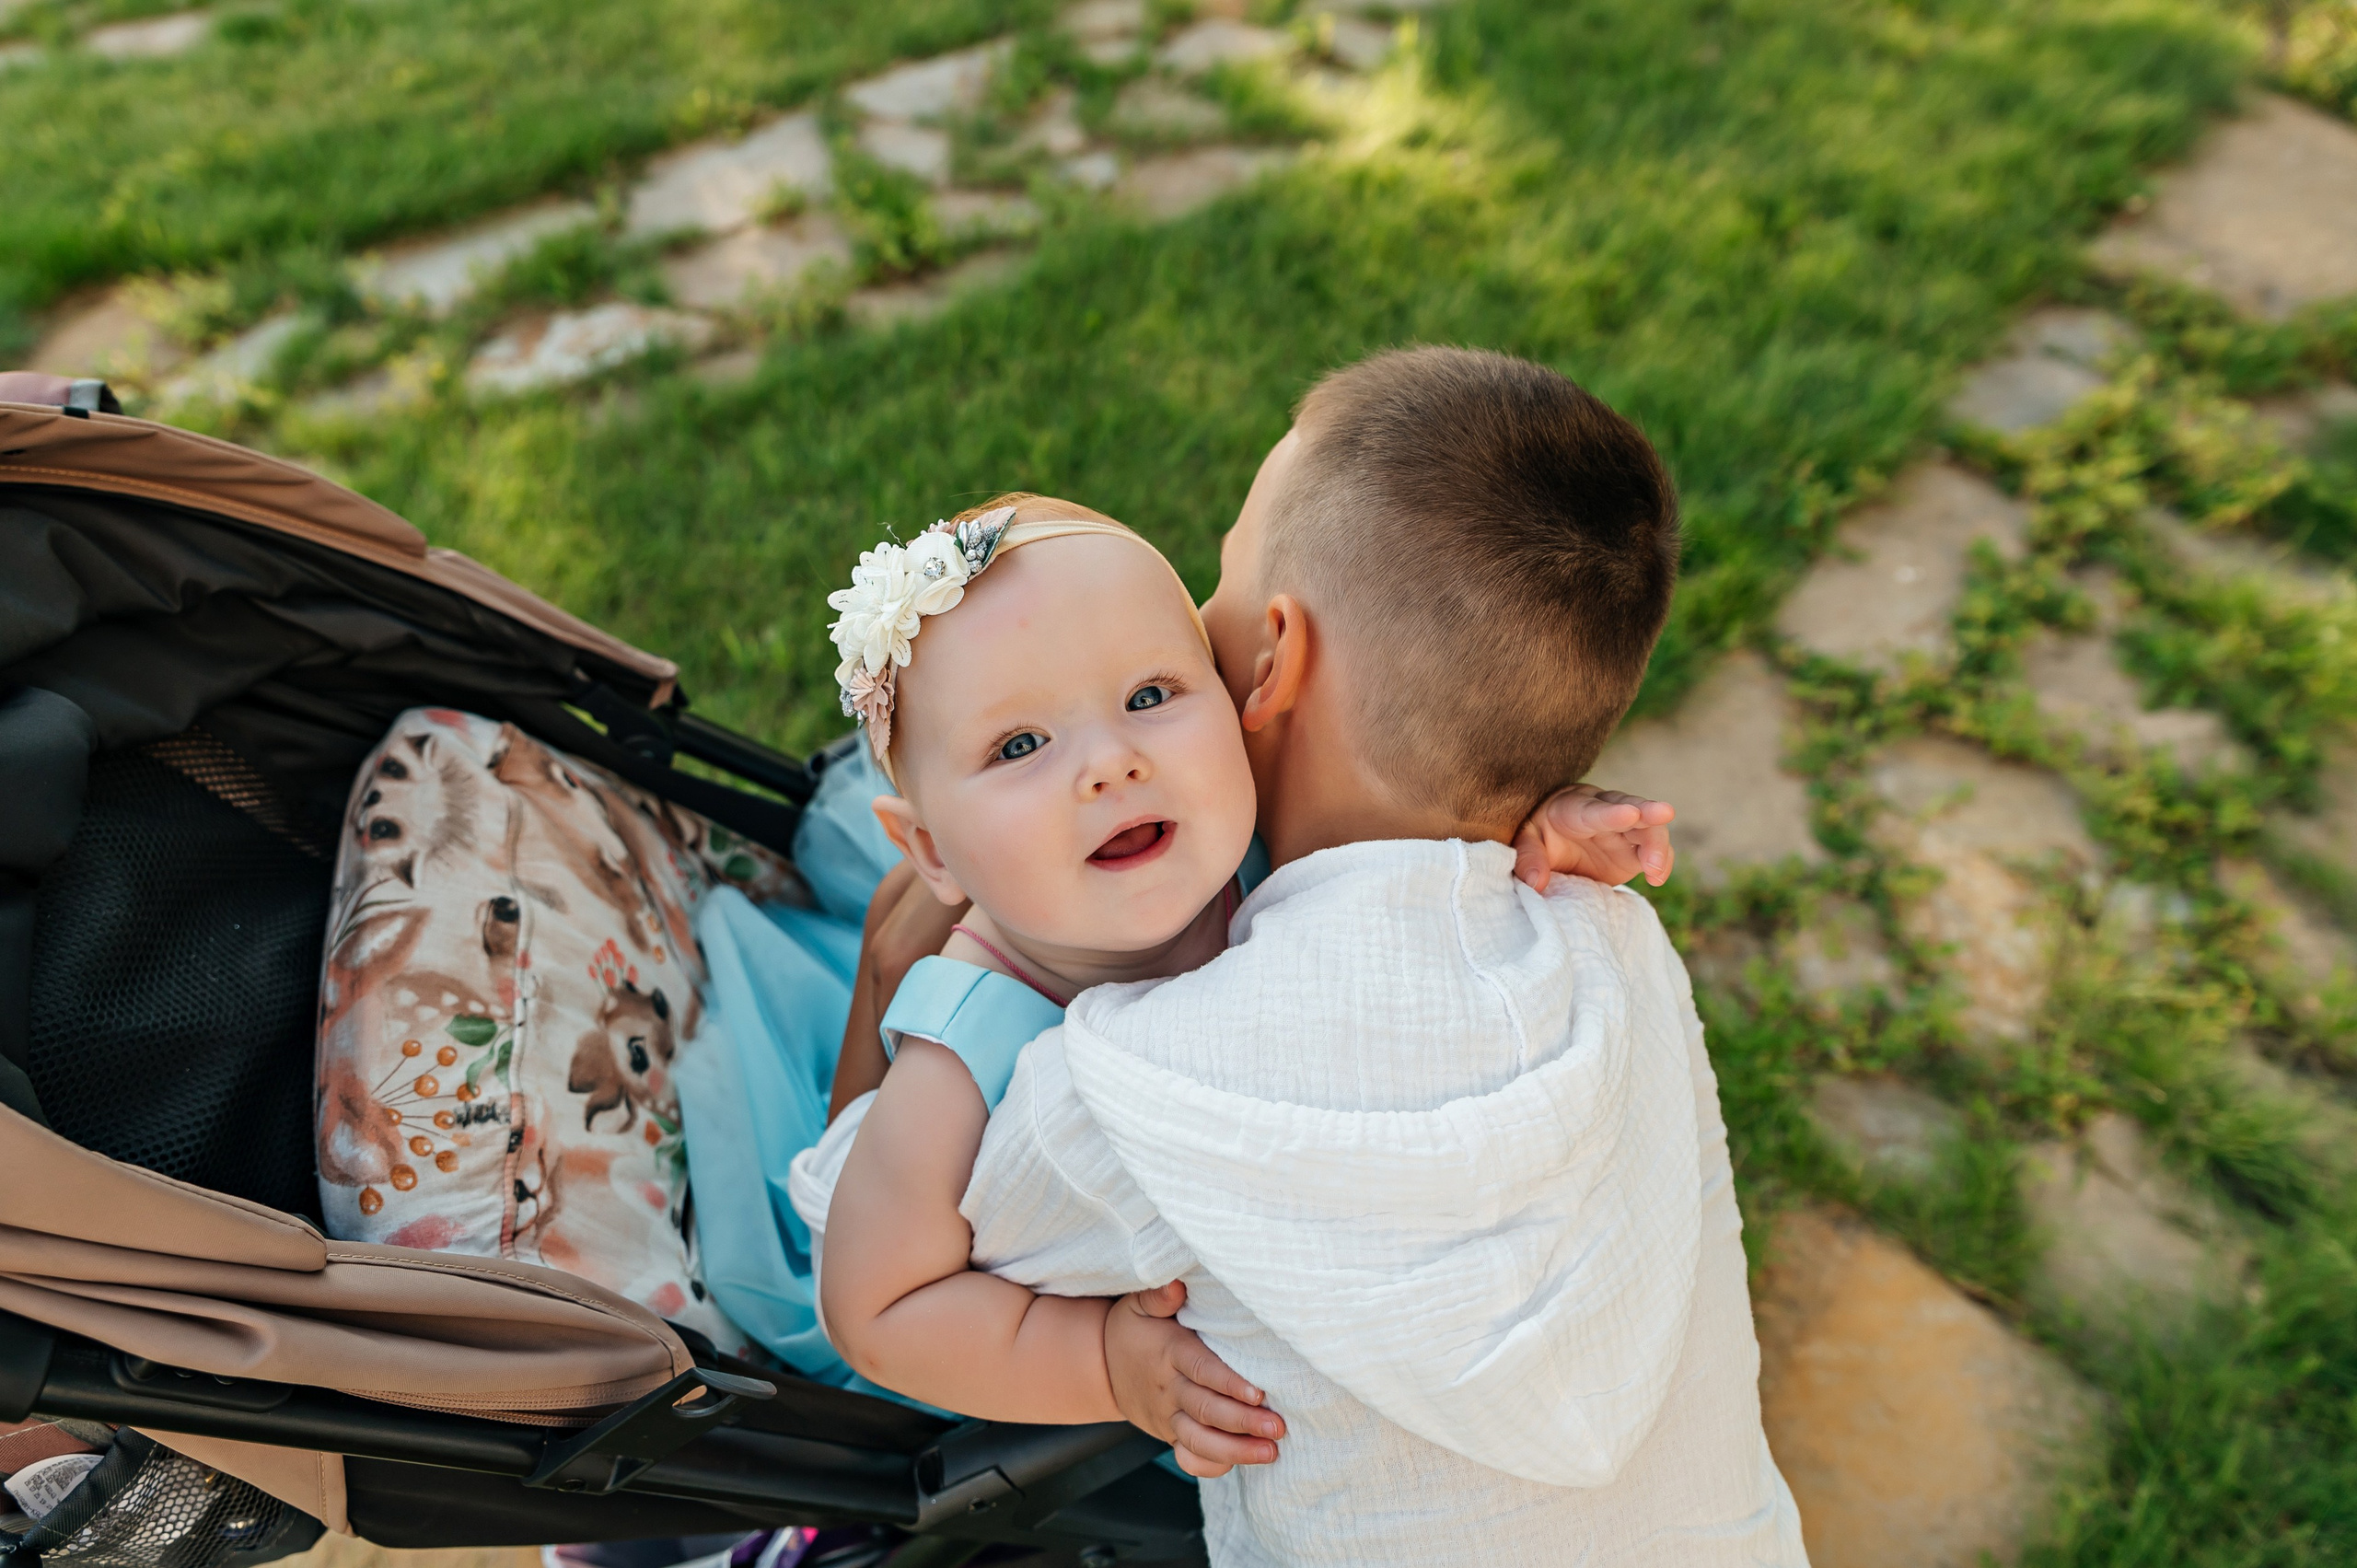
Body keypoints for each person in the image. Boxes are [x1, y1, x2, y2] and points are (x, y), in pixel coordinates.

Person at [819, 347, 1806, 1564]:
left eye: (1214, 588)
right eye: (1023, 742)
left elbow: (878, 1264)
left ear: (1269, 659)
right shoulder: (1610, 935)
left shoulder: (1131, 1095)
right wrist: (1516, 830)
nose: (1111, 764)